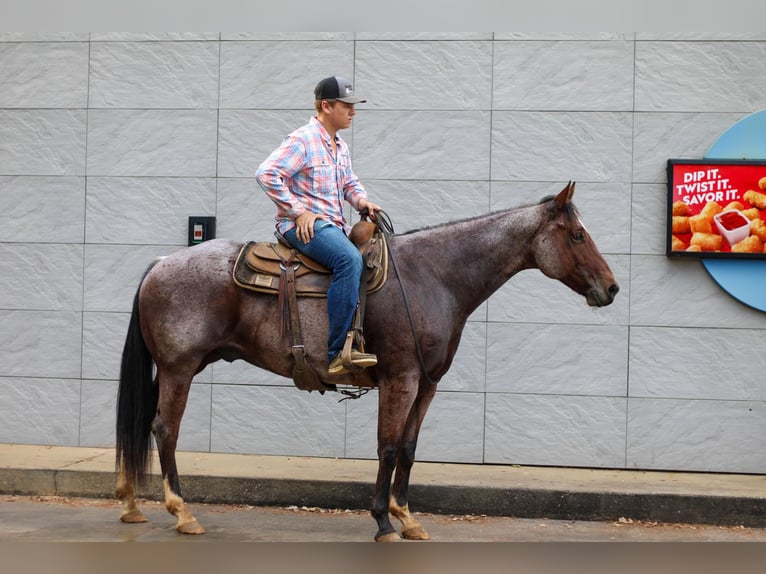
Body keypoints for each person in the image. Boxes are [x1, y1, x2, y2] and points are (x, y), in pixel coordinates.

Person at [255, 75, 381, 376]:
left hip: (331, 226)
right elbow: (266, 174)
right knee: (348, 259)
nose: (353, 111)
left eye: (354, 106)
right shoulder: (303, 140)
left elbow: (348, 183)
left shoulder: (340, 146)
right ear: (326, 106)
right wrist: (298, 212)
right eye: (347, 105)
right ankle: (338, 353)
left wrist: (362, 201)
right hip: (301, 228)